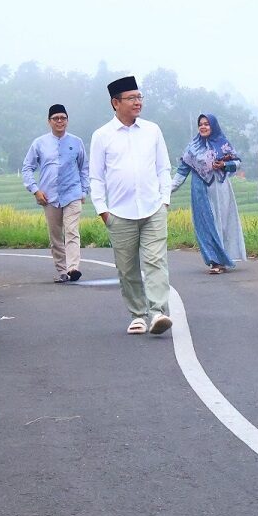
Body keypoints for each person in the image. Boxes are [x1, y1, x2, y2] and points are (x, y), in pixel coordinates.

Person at [89, 76, 174, 335]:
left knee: (156, 261)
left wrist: (164, 200)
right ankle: (138, 314)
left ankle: (158, 312)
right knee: (127, 267)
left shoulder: (152, 130)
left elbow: (163, 168)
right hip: (119, 212)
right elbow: (96, 176)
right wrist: (103, 210)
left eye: (140, 97)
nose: (138, 102)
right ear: (115, 102)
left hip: (153, 208)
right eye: (131, 98)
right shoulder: (102, 136)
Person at [171, 113, 247, 274]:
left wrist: (224, 164)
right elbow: (182, 172)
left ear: (213, 126)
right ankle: (215, 261)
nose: (203, 127)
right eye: (201, 124)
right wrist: (166, 191)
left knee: (223, 223)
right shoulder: (192, 148)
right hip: (200, 191)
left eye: (207, 124)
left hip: (221, 189)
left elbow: (237, 163)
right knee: (206, 225)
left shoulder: (222, 143)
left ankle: (224, 258)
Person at [21, 103, 89, 283]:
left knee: (72, 231)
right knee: (55, 235)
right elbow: (27, 168)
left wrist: (83, 191)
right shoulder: (39, 143)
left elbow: (84, 167)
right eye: (56, 118)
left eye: (63, 118)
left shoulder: (76, 142)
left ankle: (73, 267)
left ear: (67, 120)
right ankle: (62, 270)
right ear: (49, 121)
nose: (60, 121)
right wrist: (35, 190)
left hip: (73, 193)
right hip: (49, 196)